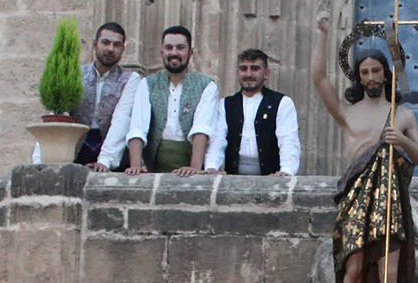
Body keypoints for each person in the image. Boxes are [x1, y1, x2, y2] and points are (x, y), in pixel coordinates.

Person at [314, 16, 418, 283]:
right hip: (356, 197)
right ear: (358, 76)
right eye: (364, 72)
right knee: (354, 268)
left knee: (388, 272)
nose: (371, 78)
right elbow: (318, 79)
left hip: (389, 198)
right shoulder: (349, 114)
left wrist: (402, 141)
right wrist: (321, 33)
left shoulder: (402, 114)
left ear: (385, 74)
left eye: (377, 71)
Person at [105, 24, 219, 175]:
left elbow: (202, 127)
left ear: (190, 53)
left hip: (190, 167)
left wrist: (194, 168)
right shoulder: (147, 83)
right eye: (169, 47)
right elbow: (138, 126)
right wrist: (136, 166)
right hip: (154, 168)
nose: (174, 53)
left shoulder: (207, 86)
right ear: (162, 52)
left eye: (180, 47)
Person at [207, 48, 302, 177]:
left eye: (255, 68)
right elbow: (218, 139)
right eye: (243, 69)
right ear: (237, 73)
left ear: (266, 73)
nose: (248, 74)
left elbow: (288, 140)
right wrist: (211, 167)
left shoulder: (282, 103)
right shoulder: (225, 104)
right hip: (234, 180)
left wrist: (287, 171)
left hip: (271, 180)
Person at [77, 21, 134, 168]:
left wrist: (105, 160)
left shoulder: (130, 79)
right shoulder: (76, 75)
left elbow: (122, 119)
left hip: (113, 147)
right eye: (106, 43)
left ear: (122, 49)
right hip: (76, 146)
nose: (110, 49)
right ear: (95, 44)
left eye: (116, 45)